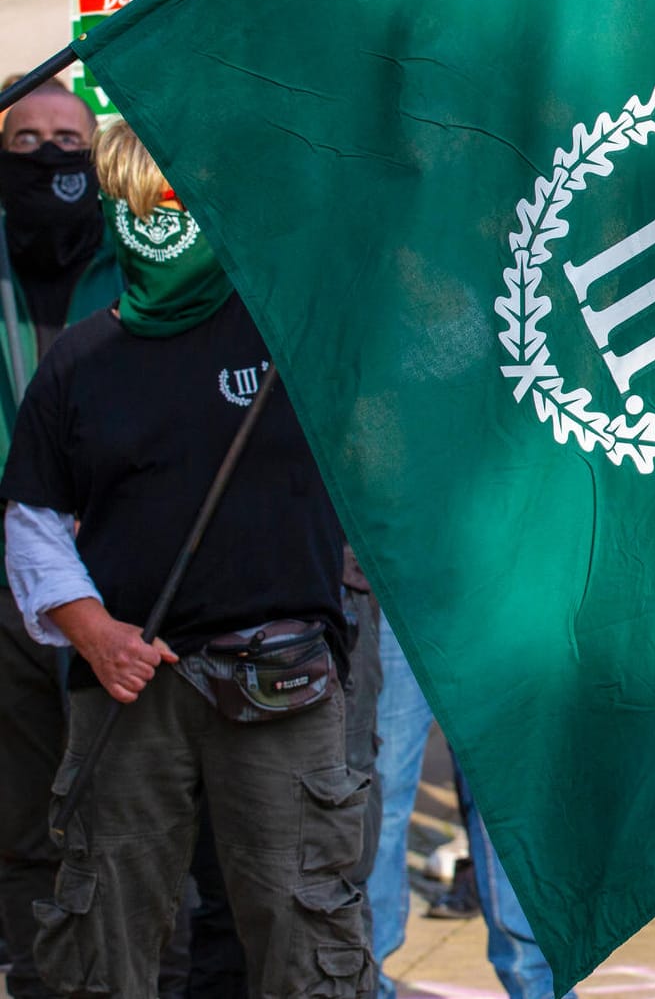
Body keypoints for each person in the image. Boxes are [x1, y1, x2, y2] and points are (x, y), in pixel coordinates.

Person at [1, 120, 371, 996]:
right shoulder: (78, 363)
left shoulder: (299, 329)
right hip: (128, 690)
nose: (162, 219)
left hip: (285, 681)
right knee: (106, 935)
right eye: (142, 201)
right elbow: (33, 522)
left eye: (180, 198)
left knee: (303, 928)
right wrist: (92, 633)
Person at [0, 81, 124, 999]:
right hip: (6, 582)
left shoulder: (136, 258)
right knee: (22, 807)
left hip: (119, 570)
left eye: (67, 140)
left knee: (131, 804)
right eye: (26, 139)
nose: (48, 158)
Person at [369, 611, 575, 999]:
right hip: (394, 590)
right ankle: (364, 980)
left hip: (487, 594)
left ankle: (540, 987)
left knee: (506, 806)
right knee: (380, 802)